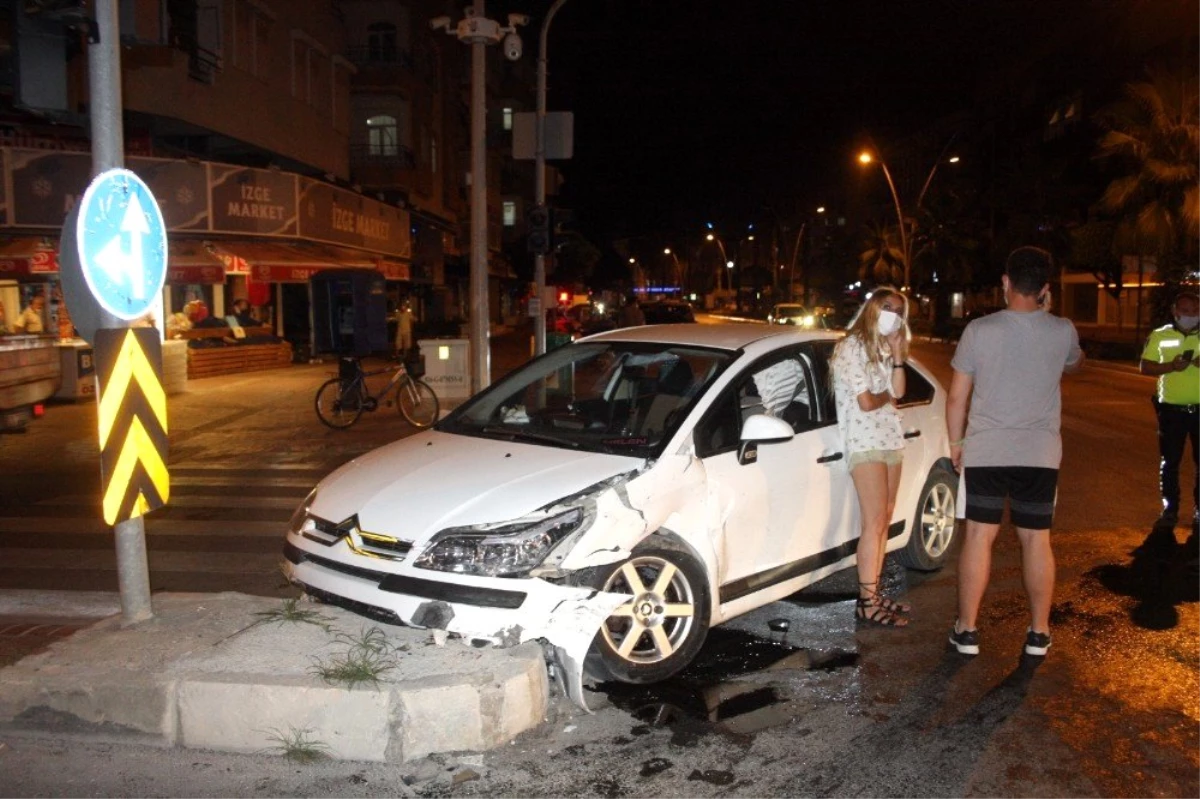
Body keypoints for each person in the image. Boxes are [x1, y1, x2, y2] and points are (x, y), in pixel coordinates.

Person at [946, 246, 1084, 658]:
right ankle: (1039, 633)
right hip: (1039, 454)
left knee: (978, 536)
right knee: (1035, 539)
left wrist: (956, 446)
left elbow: (956, 399)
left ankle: (967, 630)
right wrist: (1052, 314)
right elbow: (1076, 365)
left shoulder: (979, 331)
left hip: (987, 451)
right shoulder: (1063, 330)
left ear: (1005, 282)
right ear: (1044, 288)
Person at [831, 286, 911, 627]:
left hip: (891, 438)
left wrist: (897, 355)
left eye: (900, 311)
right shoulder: (850, 347)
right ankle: (866, 601)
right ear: (873, 308)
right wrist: (885, 397)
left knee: (885, 520)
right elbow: (867, 402)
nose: (894, 314)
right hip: (864, 442)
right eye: (888, 307)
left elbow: (900, 391)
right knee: (874, 522)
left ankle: (874, 593)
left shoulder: (882, 348)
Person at [1140, 291, 1200, 534]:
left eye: (1195, 311)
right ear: (1175, 312)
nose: (1191, 316)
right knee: (1170, 462)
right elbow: (1145, 367)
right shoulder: (1160, 335)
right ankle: (1170, 509)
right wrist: (1171, 367)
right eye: (1186, 311)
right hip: (1171, 410)